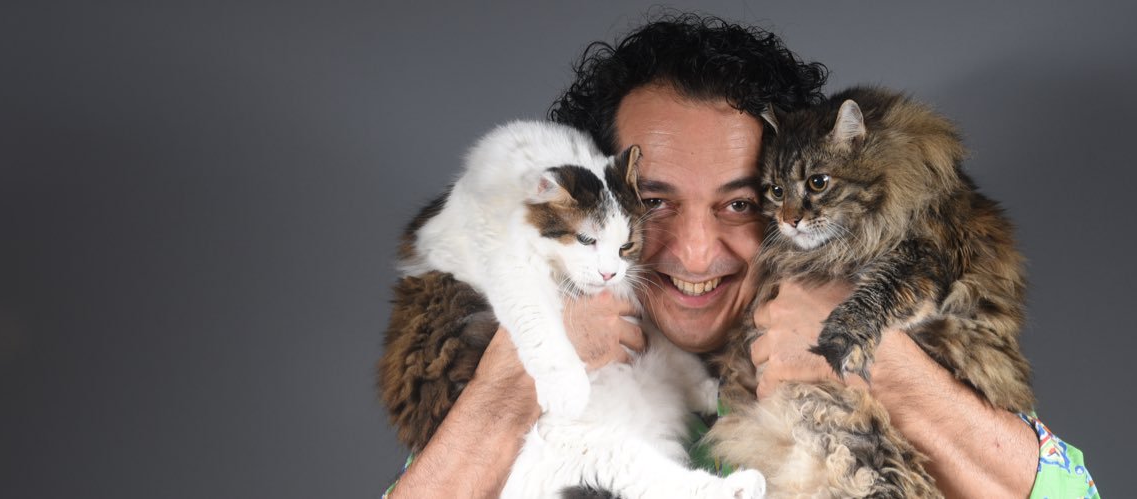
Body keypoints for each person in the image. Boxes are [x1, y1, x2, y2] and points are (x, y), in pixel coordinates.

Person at [387, 13, 1097, 499]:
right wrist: (515, 382)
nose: (696, 252)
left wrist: (878, 360)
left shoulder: (912, 335)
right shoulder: (510, 362)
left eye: (739, 204)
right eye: (655, 202)